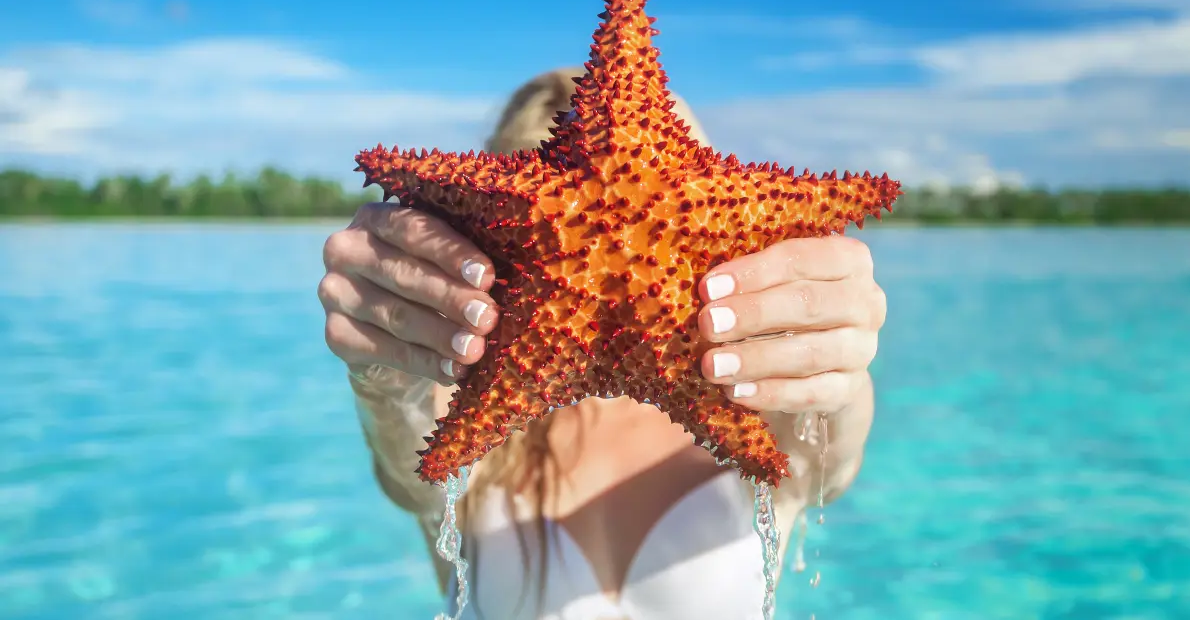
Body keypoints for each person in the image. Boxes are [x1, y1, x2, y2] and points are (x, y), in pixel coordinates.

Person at [318, 68, 886, 619]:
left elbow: (829, 457)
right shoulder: (471, 419)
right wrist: (384, 373)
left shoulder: (759, 399)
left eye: (687, 160)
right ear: (481, 232)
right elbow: (408, 459)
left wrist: (837, 373)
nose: (645, 203)